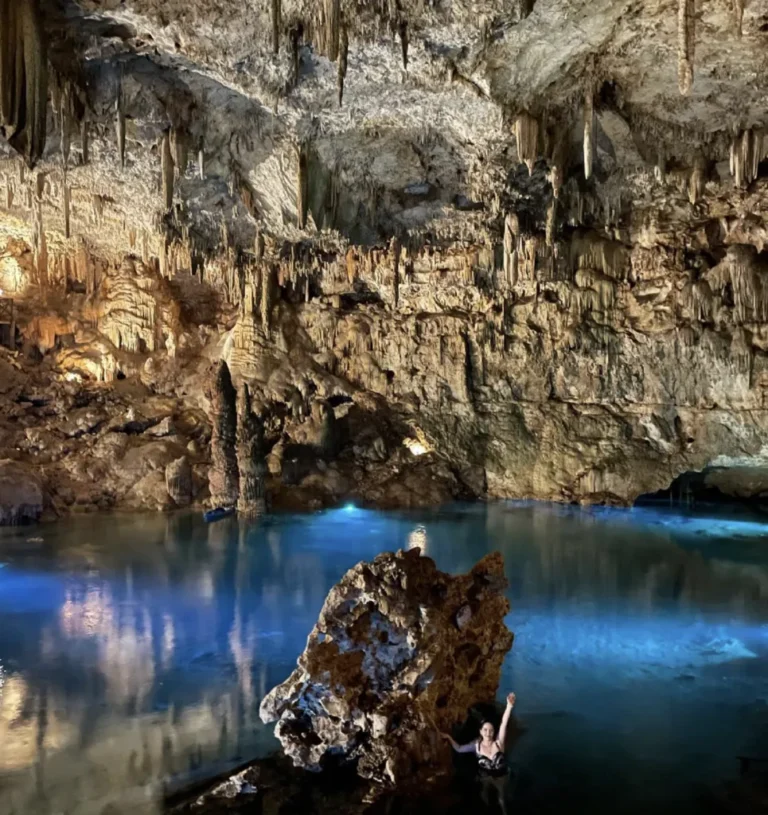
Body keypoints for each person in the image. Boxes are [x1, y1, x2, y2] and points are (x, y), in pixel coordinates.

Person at [440, 692, 516, 814]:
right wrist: (449, 737)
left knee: (501, 800)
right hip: (484, 777)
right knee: (484, 797)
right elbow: (459, 749)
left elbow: (503, 724)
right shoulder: (476, 746)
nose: (488, 732)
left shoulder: (499, 743)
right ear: (480, 731)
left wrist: (509, 706)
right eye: (485, 730)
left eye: (491, 730)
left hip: (501, 778)